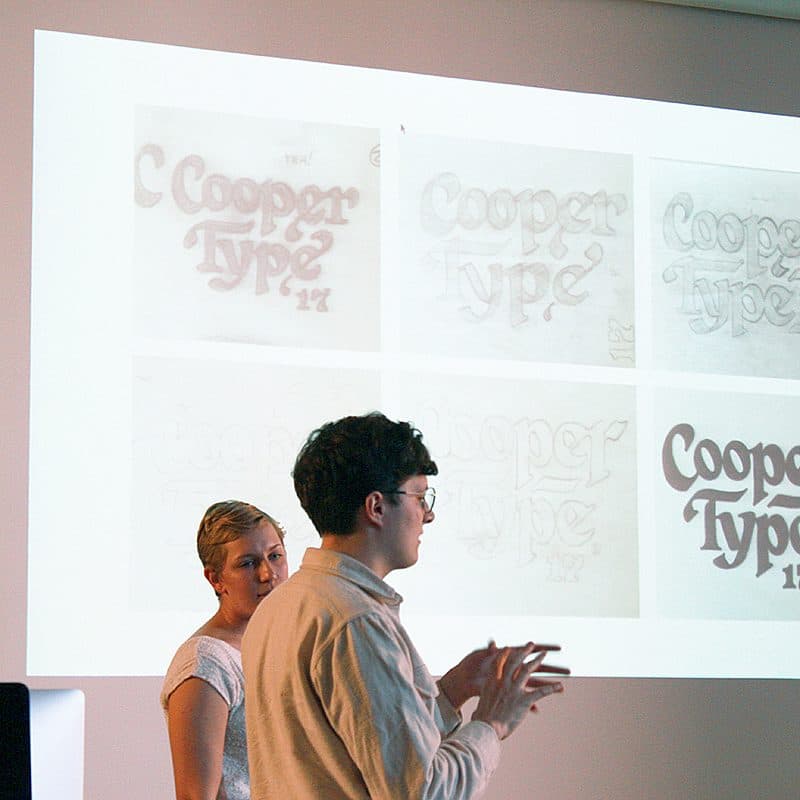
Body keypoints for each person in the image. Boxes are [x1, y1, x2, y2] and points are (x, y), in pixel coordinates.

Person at [242, 412, 567, 800]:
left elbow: (346, 750)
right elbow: (421, 792)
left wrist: (451, 690)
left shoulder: (281, 605)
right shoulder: (355, 620)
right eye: (419, 496)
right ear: (376, 507)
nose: (428, 515)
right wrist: (491, 723)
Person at [161, 500, 288, 800]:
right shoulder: (205, 660)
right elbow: (195, 795)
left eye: (275, 556)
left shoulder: (280, 642)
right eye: (247, 563)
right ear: (215, 579)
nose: (267, 574)